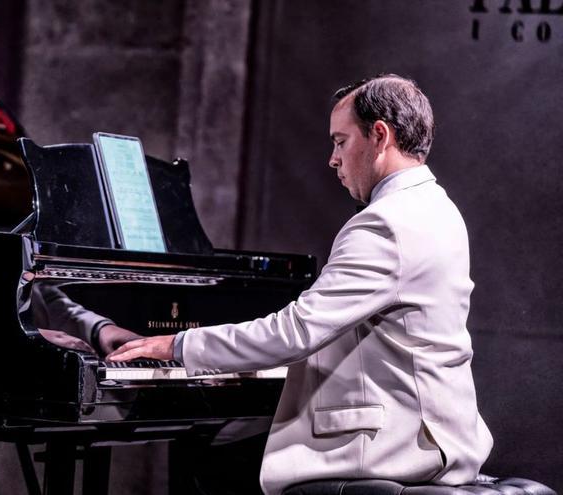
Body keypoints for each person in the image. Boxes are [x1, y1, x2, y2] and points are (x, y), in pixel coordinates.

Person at [108, 74, 494, 494]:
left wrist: (177, 345)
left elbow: (296, 332)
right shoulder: (437, 206)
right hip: (434, 432)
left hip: (397, 445)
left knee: (214, 465)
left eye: (341, 141)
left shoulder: (386, 223)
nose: (332, 158)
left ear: (379, 135)